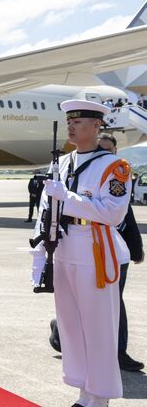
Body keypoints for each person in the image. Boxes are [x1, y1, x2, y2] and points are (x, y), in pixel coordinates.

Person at [31, 100, 131, 407]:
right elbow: (50, 206)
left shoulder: (113, 167)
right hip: (64, 249)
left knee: (97, 327)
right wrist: (40, 241)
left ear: (97, 126)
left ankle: (99, 397)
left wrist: (68, 199)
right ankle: (83, 392)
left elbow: (112, 214)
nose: (71, 126)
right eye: (69, 121)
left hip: (95, 251)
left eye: (79, 121)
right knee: (71, 325)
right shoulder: (63, 162)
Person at [48, 133, 144, 372]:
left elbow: (125, 218)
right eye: (100, 149)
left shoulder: (115, 174)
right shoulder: (77, 171)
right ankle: (60, 333)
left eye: (108, 150)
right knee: (77, 305)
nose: (103, 154)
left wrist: (136, 248)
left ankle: (118, 352)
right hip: (82, 248)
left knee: (111, 309)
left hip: (111, 254)